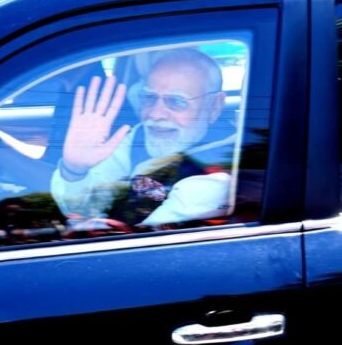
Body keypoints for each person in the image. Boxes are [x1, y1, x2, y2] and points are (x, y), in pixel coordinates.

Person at [51, 48, 235, 227]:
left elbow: (138, 241)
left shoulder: (217, 174)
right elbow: (82, 208)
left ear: (214, 107)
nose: (155, 114)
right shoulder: (138, 136)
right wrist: (75, 169)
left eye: (176, 101)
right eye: (149, 98)